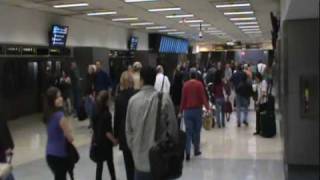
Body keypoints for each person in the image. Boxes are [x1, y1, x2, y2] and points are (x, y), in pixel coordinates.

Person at [126, 66, 178, 180]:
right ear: (154, 80)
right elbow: (173, 130)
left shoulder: (132, 101)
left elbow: (128, 131)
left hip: (139, 161)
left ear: (141, 80)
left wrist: (135, 148)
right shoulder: (165, 99)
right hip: (160, 160)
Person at [180, 68, 210, 161]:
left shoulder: (185, 85)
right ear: (196, 76)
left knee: (188, 132)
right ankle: (196, 150)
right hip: (197, 111)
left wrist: (180, 111)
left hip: (187, 112)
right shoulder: (199, 84)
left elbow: (183, 99)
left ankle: (187, 152)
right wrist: (208, 108)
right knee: (197, 131)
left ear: (189, 76)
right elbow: (203, 97)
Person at [44, 87, 74, 180]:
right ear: (52, 100)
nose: (60, 98)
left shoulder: (48, 115)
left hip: (49, 154)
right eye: (57, 97)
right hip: (59, 155)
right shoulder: (60, 116)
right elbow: (70, 138)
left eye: (60, 96)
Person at [114, 71, 136, 180]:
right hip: (136, 131)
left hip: (124, 133)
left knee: (128, 166)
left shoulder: (119, 98)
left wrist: (116, 136)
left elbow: (117, 119)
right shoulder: (137, 95)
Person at [92, 90, 118, 180]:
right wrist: (114, 140)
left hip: (97, 141)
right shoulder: (107, 114)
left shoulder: (95, 111)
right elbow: (107, 132)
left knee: (99, 166)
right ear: (106, 101)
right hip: (106, 144)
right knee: (110, 163)